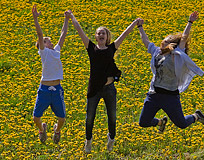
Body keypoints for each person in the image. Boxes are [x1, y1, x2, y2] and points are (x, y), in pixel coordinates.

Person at [69, 11, 140, 153]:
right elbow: (79, 30)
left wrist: (135, 22)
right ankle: (88, 141)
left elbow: (125, 34)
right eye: (98, 33)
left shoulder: (112, 48)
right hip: (94, 89)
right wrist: (71, 17)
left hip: (109, 89)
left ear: (107, 37)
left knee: (112, 117)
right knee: (89, 118)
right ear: (95, 36)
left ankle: (111, 139)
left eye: (103, 33)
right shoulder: (91, 48)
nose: (101, 35)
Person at [137, 11, 204, 134]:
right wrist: (140, 27)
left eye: (165, 40)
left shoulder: (177, 55)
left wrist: (190, 22)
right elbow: (145, 40)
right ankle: (161, 122)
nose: (162, 41)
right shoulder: (156, 51)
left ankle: (196, 116)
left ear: (171, 44)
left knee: (182, 124)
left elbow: (184, 37)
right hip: (153, 94)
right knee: (143, 122)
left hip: (170, 96)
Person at [32, 5, 71, 144]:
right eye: (46, 40)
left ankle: (57, 130)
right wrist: (36, 19)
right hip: (44, 90)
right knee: (36, 118)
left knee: (62, 119)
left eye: (48, 40)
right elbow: (40, 34)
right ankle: (42, 130)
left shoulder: (56, 51)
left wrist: (66, 19)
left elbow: (63, 33)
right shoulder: (44, 52)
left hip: (57, 89)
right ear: (42, 45)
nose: (49, 41)